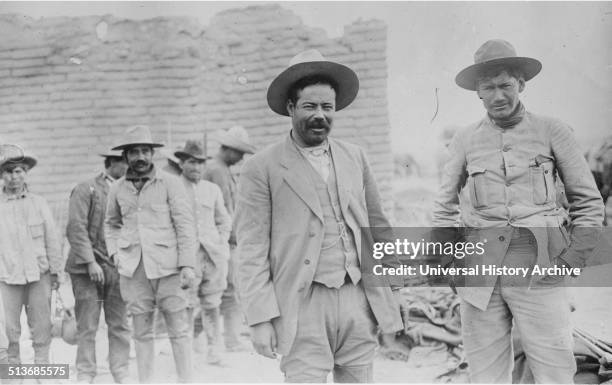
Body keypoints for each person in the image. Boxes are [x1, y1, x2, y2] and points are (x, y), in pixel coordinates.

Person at [432, 39, 604, 383]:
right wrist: (447, 264)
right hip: (479, 277)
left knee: (554, 371)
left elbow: (589, 204)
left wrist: (570, 262)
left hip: (541, 273)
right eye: (488, 87)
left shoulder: (552, 130)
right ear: (478, 92)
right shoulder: (465, 140)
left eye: (505, 85)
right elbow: (443, 209)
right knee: (485, 375)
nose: (498, 96)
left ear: (521, 84)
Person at [234, 49, 404, 382]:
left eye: (327, 107)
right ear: (291, 108)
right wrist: (259, 319)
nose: (319, 116)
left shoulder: (355, 156)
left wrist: (394, 290)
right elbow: (251, 249)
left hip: (357, 297)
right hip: (301, 302)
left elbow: (378, 227)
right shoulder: (261, 168)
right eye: (310, 106)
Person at [104, 125, 197, 383]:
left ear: (152, 154)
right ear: (125, 157)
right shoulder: (118, 189)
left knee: (178, 330)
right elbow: (110, 224)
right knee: (142, 332)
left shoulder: (171, 183)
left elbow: (185, 225)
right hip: (134, 271)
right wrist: (115, 254)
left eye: (145, 151)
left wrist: (187, 264)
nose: (140, 157)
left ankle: (186, 380)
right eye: (134, 152)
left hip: (169, 269)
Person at [65, 150, 130, 383]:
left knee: (120, 324)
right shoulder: (86, 189)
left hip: (118, 268)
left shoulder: (131, 190)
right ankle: (85, 373)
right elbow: (75, 228)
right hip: (86, 269)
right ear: (112, 163)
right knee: (87, 325)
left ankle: (120, 370)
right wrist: (91, 262)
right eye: (126, 162)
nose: (130, 167)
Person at [0, 150, 62, 364]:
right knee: (9, 330)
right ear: (1, 175)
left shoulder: (39, 203)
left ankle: (41, 371)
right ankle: (12, 373)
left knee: (42, 325)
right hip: (7, 278)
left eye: (18, 171)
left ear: (25, 173)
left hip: (39, 275)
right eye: (8, 172)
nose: (14, 177)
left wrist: (56, 272)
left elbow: (52, 239)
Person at [175, 139, 232, 364]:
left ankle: (213, 350)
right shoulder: (173, 188)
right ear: (181, 163)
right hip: (186, 258)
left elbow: (224, 220)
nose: (197, 167)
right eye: (191, 162)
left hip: (212, 256)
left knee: (212, 303)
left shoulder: (212, 189)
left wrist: (221, 243)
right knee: (186, 304)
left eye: (200, 163)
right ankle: (185, 352)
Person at [202, 125, 255, 352]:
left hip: (225, 240)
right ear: (228, 149)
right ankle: (232, 340)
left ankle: (212, 337)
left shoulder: (222, 170)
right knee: (229, 289)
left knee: (222, 290)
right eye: (239, 153)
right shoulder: (217, 171)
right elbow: (224, 212)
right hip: (221, 241)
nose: (241, 158)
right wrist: (236, 238)